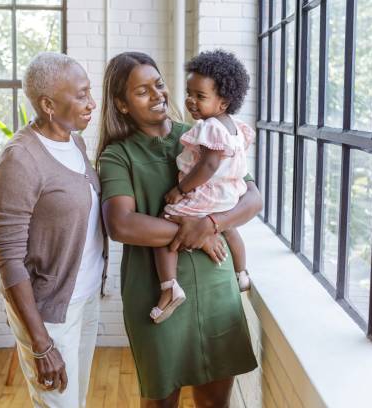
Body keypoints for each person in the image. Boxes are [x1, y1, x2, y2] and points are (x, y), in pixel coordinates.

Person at [96, 51, 261, 407]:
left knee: (216, 400)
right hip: (157, 292)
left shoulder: (203, 136)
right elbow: (121, 224)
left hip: (217, 289)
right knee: (161, 401)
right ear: (121, 105)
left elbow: (252, 199)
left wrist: (212, 224)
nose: (158, 95)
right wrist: (196, 235)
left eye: (159, 84)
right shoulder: (116, 156)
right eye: (142, 91)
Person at [0, 52, 107, 408]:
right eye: (81, 94)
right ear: (48, 104)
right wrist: (40, 343)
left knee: (77, 400)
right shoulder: (20, 159)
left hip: (85, 299)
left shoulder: (75, 142)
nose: (91, 103)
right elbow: (8, 258)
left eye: (90, 92)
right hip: (49, 313)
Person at [150, 49, 255, 324]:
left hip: (207, 194)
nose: (191, 100)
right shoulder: (236, 126)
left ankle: (169, 286)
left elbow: (207, 166)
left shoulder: (210, 127)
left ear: (222, 103)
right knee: (229, 229)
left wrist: (181, 189)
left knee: (166, 218)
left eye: (200, 96)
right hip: (229, 194)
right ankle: (241, 273)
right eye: (189, 92)